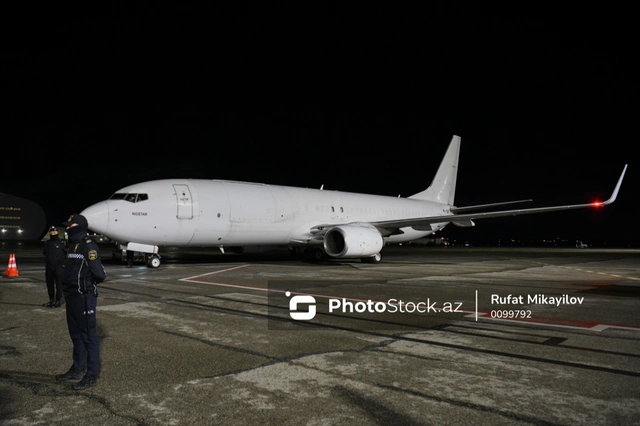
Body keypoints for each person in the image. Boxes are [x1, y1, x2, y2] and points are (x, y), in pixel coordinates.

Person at [55, 214, 106, 390]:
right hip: (71, 297)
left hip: (84, 297)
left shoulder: (88, 246)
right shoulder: (71, 246)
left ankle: (91, 375)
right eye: (67, 226)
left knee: (89, 337)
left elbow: (100, 274)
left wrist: (87, 283)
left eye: (71, 225)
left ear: (81, 226)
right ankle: (77, 369)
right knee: (75, 335)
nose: (68, 228)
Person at [42, 226, 67, 307]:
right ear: (49, 233)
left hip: (59, 267)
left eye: (55, 232)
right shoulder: (47, 243)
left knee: (59, 285)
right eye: (51, 232)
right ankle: (51, 300)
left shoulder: (62, 243)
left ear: (57, 233)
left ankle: (58, 301)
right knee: (49, 284)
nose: (53, 233)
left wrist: (63, 264)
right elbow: (45, 253)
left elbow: (66, 254)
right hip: (49, 267)